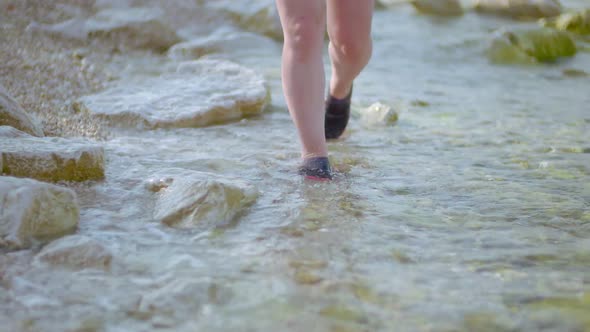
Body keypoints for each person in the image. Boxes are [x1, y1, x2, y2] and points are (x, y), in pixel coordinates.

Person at [276, 0, 374, 181]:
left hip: (350, 52)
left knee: (352, 47)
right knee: (301, 30)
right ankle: (314, 158)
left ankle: (340, 86)